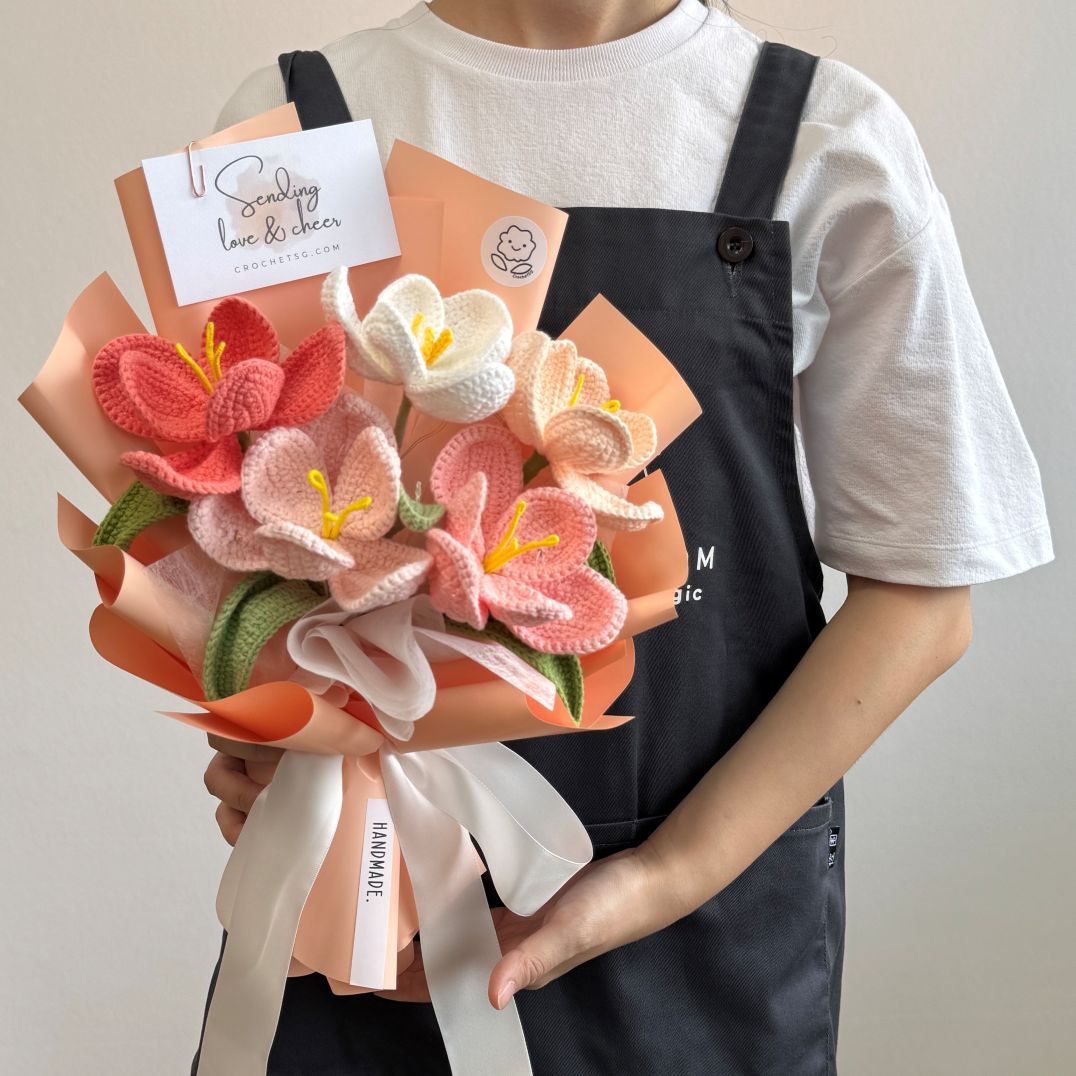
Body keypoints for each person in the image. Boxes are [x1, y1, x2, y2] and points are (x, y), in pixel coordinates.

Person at [196, 2, 1055, 1072]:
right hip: (374, 917)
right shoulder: (289, 132)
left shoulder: (826, 141)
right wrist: (267, 744)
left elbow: (921, 598)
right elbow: (232, 517)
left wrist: (662, 875)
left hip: (707, 936)